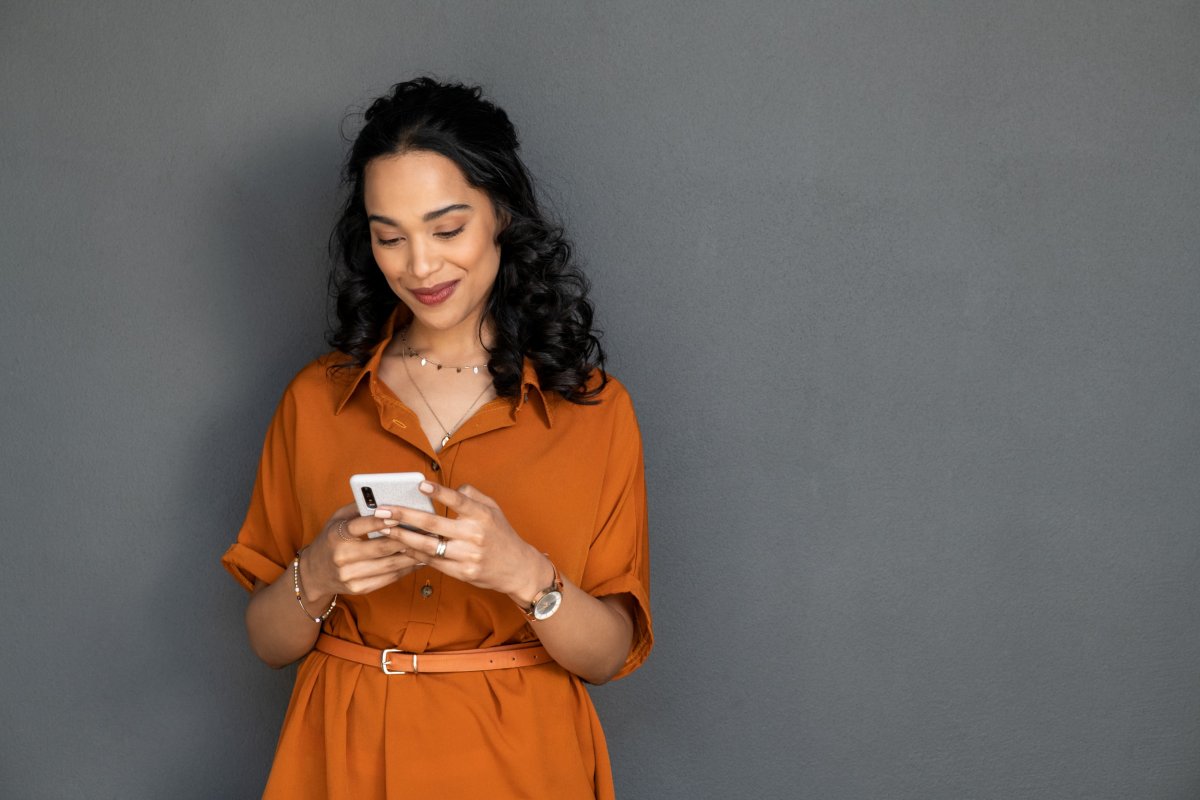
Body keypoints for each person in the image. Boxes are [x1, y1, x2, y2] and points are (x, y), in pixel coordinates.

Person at [221, 77, 652, 799]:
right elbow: (268, 641)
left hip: (521, 762)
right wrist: (320, 573)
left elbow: (607, 656)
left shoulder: (595, 412)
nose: (419, 267)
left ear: (502, 214)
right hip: (343, 755)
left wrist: (522, 573)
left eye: (447, 230)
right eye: (390, 237)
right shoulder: (315, 400)